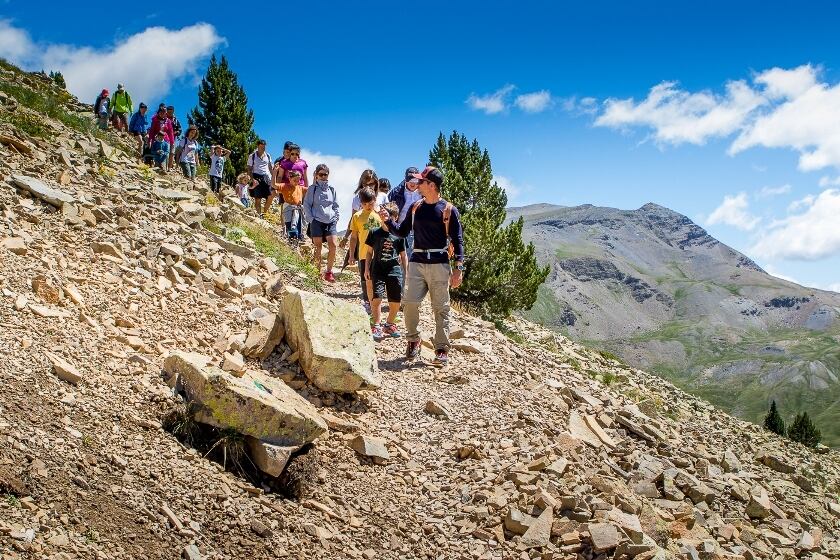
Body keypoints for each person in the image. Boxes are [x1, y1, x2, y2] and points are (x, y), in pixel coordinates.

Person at [380, 166, 464, 367]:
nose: (417, 184)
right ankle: (413, 340)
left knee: (441, 308)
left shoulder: (448, 210)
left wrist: (458, 268)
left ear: (431, 185)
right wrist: (388, 222)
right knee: (409, 303)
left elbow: (458, 240)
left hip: (439, 263)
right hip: (417, 261)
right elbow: (402, 232)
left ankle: (441, 349)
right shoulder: (416, 207)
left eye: (421, 181)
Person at [365, 202, 407, 340]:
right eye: (383, 216)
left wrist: (406, 272)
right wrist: (366, 269)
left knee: (395, 300)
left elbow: (403, 255)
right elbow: (369, 252)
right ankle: (376, 325)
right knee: (377, 297)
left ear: (395, 218)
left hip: (394, 270)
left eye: (389, 217)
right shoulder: (374, 232)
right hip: (377, 269)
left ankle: (389, 324)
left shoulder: (399, 235)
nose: (385, 219)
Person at [302, 163, 339, 282]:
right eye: (321, 174)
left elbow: (335, 205)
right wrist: (311, 219)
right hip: (316, 221)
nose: (323, 177)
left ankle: (329, 272)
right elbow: (306, 204)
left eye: (325, 174)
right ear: (316, 175)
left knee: (333, 245)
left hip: (330, 221)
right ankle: (317, 273)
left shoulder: (331, 189)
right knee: (318, 247)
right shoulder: (312, 189)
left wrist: (336, 217)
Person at [348, 188, 382, 312]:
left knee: (377, 279)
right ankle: (367, 302)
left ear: (375, 200)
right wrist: (352, 255)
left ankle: (376, 303)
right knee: (365, 279)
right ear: (360, 203)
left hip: (378, 254)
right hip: (363, 254)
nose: (368, 206)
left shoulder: (379, 216)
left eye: (371, 203)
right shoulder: (357, 216)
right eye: (365, 204)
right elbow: (354, 237)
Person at [388, 166, 422, 255]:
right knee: (398, 256)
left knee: (414, 257)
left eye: (415, 181)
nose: (413, 184)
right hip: (399, 229)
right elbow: (389, 210)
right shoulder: (396, 192)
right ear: (405, 180)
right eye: (410, 181)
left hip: (418, 231)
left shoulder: (423, 192)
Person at [247, 140, 273, 216]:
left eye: (264, 147)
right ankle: (259, 215)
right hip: (256, 176)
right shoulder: (252, 156)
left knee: (270, 196)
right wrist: (252, 179)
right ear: (258, 146)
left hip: (265, 177)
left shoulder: (268, 155)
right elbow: (249, 169)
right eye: (261, 147)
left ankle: (264, 213)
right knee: (258, 198)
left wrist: (273, 178)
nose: (263, 148)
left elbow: (270, 168)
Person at [166, 106, 182, 171]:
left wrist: (177, 132)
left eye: (171, 112)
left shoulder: (175, 120)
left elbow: (180, 129)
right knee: (165, 152)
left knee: (172, 153)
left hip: (172, 138)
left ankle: (169, 168)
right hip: (164, 138)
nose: (170, 113)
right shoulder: (164, 118)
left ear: (173, 111)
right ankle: (163, 166)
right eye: (168, 112)